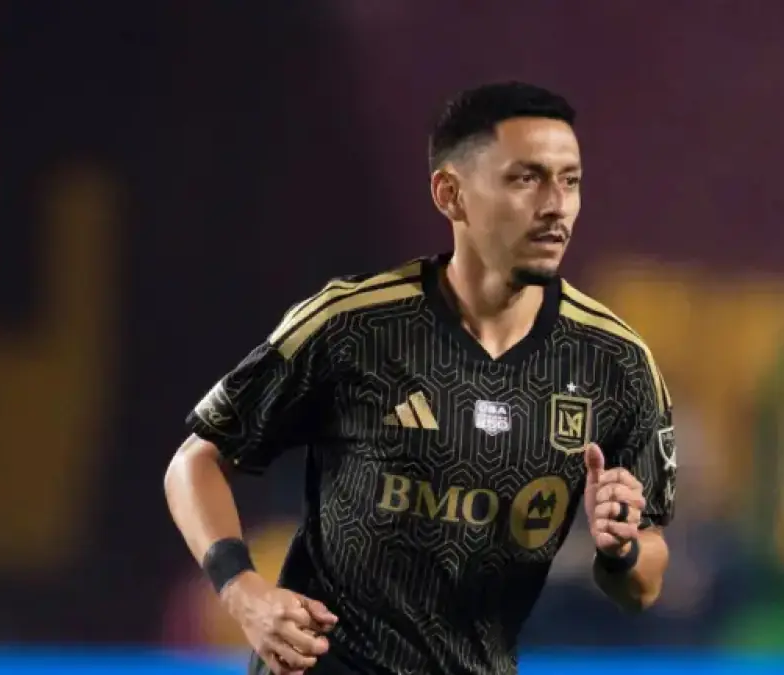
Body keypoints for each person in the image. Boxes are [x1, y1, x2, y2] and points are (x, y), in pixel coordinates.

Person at [164, 81, 678, 675]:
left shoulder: (616, 364)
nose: (556, 205)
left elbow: (644, 585)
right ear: (450, 194)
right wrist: (243, 593)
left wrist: (622, 549)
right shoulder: (352, 324)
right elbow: (195, 462)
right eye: (526, 178)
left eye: (571, 181)